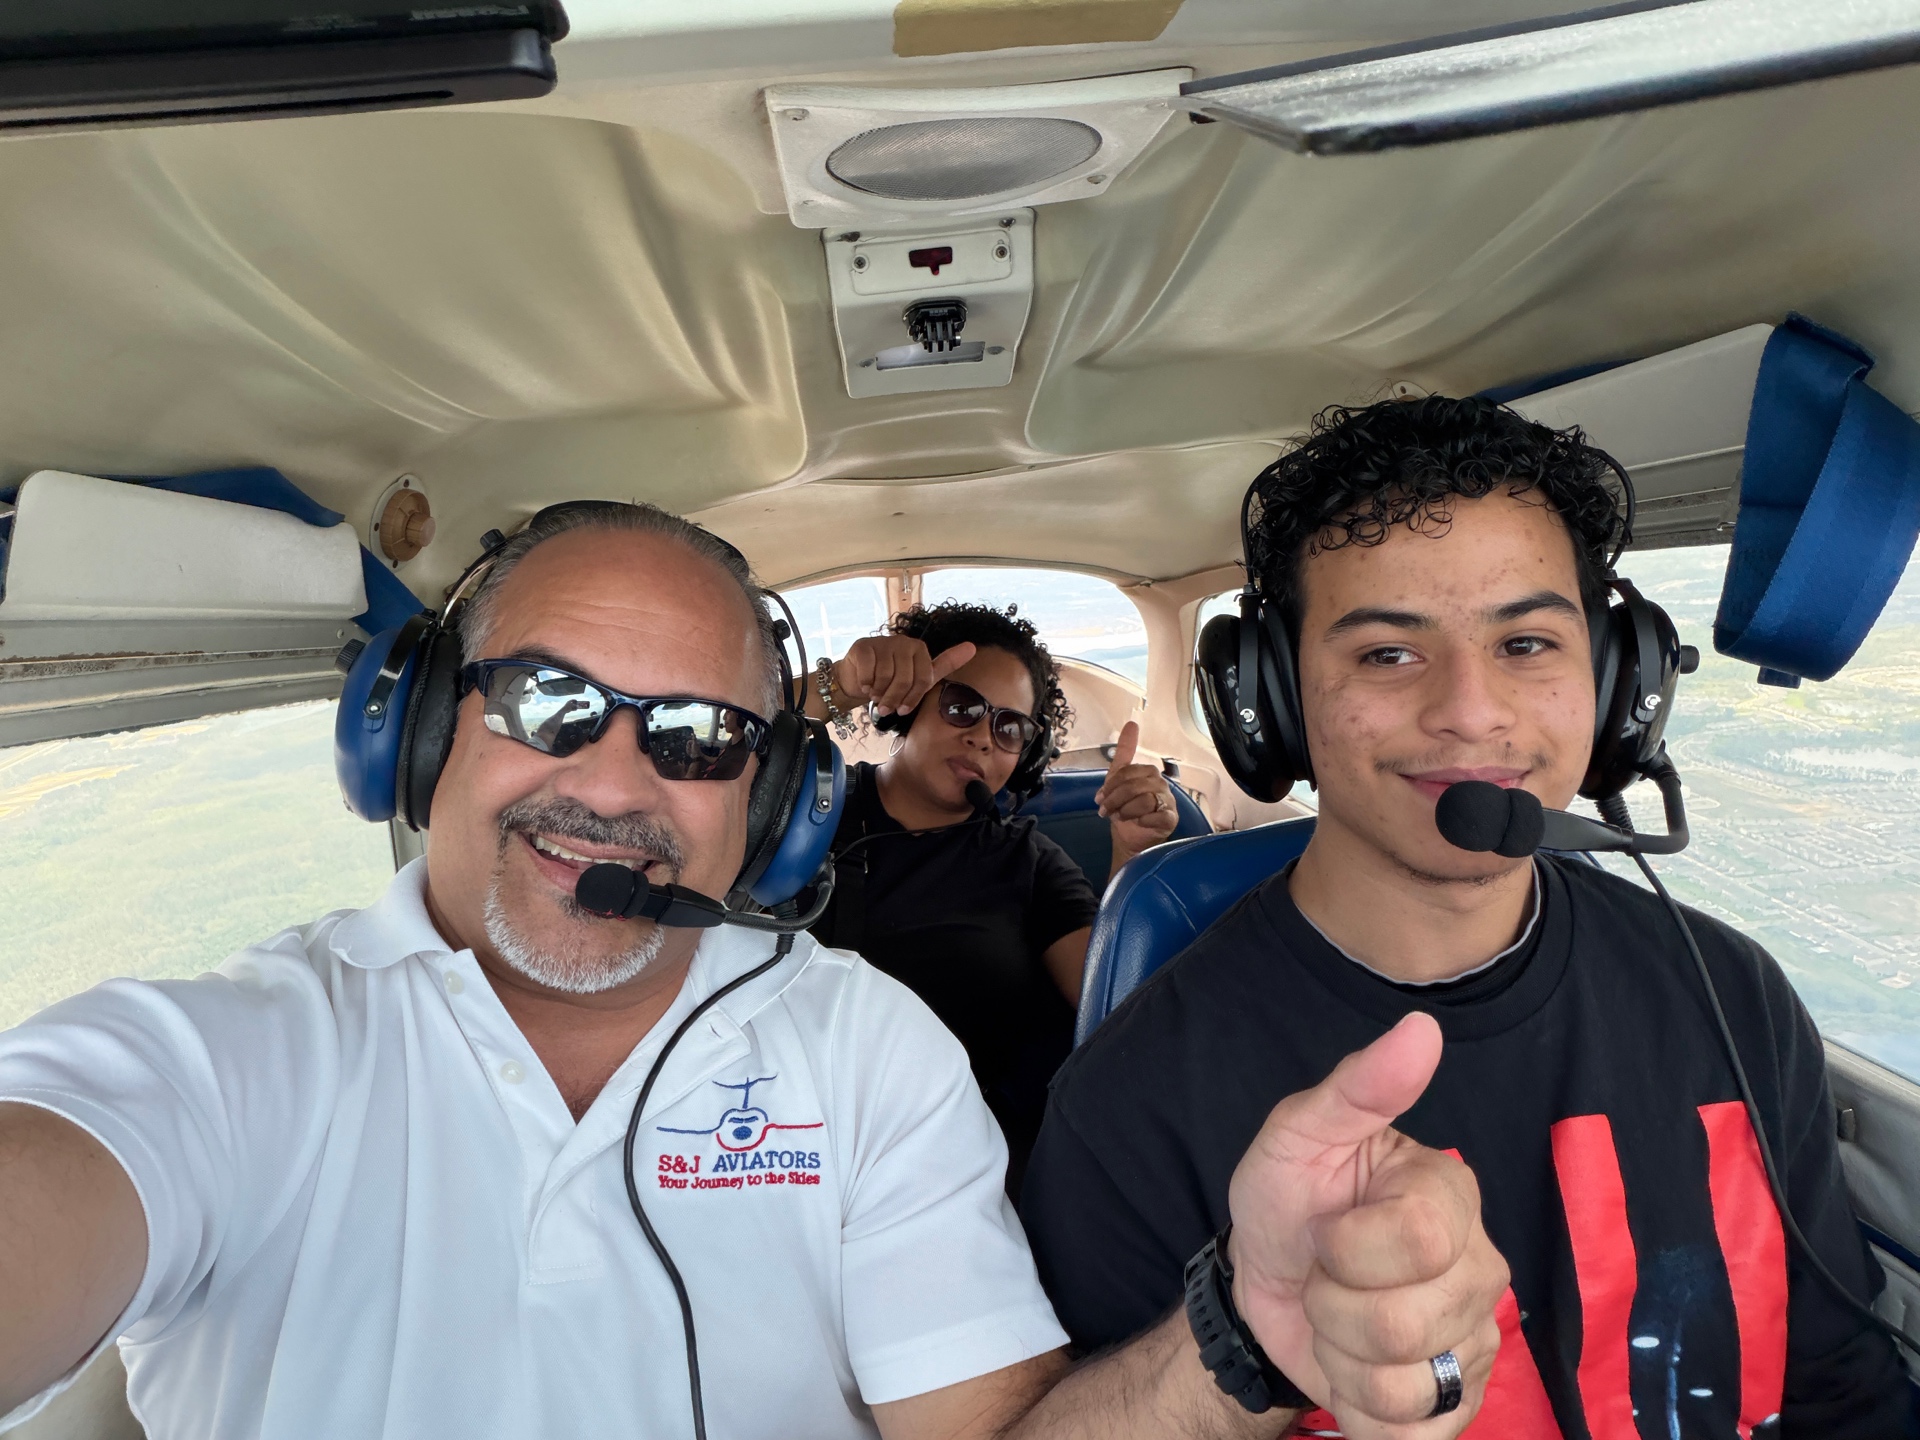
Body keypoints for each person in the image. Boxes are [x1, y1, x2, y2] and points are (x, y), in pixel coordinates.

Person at [0, 499, 1511, 1439]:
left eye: (698, 737)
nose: (614, 776)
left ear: (757, 807)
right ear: (415, 730)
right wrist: (837, 694)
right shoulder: (228, 1057)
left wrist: (1235, 1341)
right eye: (544, 699)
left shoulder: (868, 1046)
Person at [1019, 397, 1917, 1438]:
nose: (1471, 711)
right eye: (1388, 654)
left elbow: (1843, 1393)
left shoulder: (1730, 994)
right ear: (1273, 701)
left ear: (1619, 680)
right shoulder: (1132, 1099)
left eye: (1528, 642)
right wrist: (1240, 1340)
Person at [802, 601, 1177, 1192]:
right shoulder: (805, 809)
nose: (981, 736)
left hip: (959, 1166)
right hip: (791, 1138)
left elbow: (1111, 1005)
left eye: (1008, 727)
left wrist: (1133, 857)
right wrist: (836, 687)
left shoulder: (1028, 863)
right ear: (910, 702)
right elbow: (711, 740)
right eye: (962, 706)